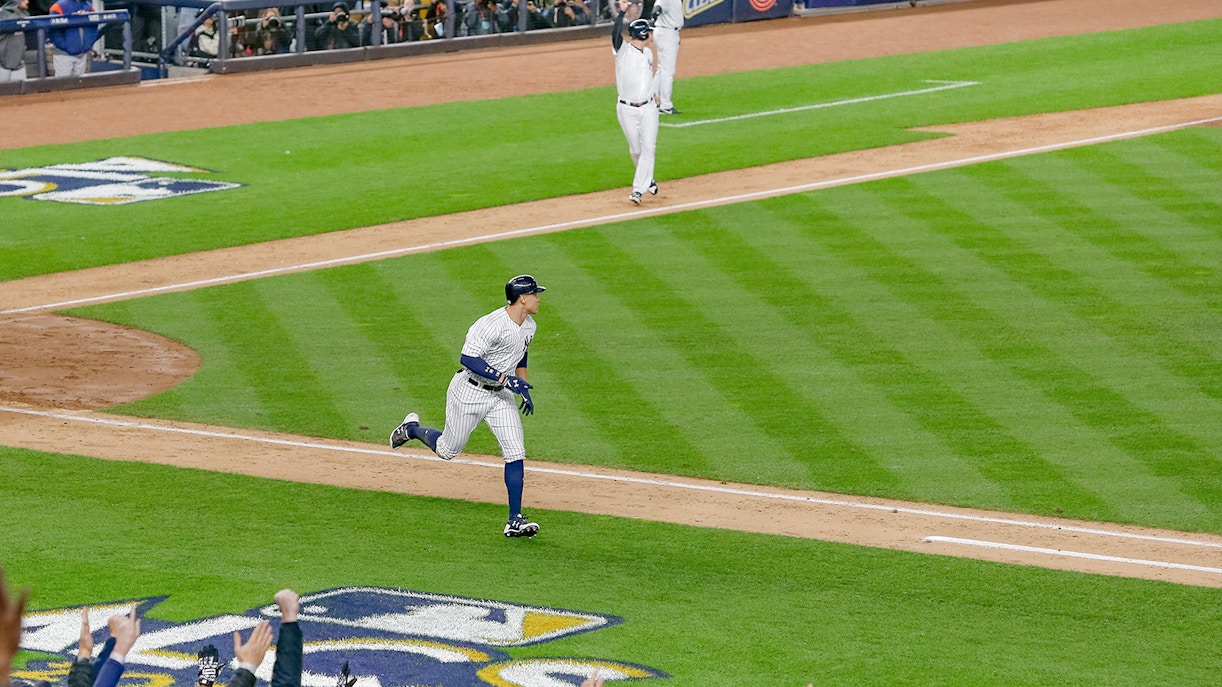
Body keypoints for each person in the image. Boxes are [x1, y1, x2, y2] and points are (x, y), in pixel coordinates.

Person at [390, 274, 546, 538]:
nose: (538, 299)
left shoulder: (529, 325)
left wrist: (521, 385)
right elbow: (468, 358)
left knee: (515, 452)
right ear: (522, 298)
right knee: (447, 450)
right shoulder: (490, 325)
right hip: (469, 392)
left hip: (500, 397)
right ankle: (412, 429)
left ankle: (514, 520)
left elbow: (521, 354)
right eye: (534, 294)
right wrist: (505, 378)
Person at [612, 0, 660, 205]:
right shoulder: (622, 52)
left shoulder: (648, 53)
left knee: (649, 148)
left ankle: (638, 190)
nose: (651, 35)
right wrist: (621, 13)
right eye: (648, 32)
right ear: (643, 35)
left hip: (648, 108)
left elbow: (647, 76)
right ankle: (647, 178)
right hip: (626, 108)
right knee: (636, 149)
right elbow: (615, 35)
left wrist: (654, 93)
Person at [47, 0, 98, 77]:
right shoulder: (59, 6)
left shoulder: (89, 7)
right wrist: (64, 46)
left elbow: (94, 28)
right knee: (63, 83)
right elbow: (53, 31)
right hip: (63, 55)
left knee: (79, 82)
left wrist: (88, 44)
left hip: (82, 54)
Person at [649, 0, 682, 114]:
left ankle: (652, 100)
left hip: (666, 31)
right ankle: (666, 105)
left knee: (661, 69)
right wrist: (655, 17)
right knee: (667, 71)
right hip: (667, 32)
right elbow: (656, 10)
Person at [0, 0, 29, 82]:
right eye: (24, 0)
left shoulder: (23, 13)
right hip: (2, 65)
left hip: (19, 64)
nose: (27, 1)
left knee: (23, 90)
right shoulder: (2, 14)